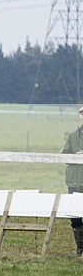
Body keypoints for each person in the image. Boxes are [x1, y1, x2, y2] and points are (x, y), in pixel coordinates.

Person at [62, 105, 83, 257]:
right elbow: (65, 156)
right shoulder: (73, 135)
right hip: (74, 180)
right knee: (75, 216)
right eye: (82, 114)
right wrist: (75, 156)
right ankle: (80, 249)